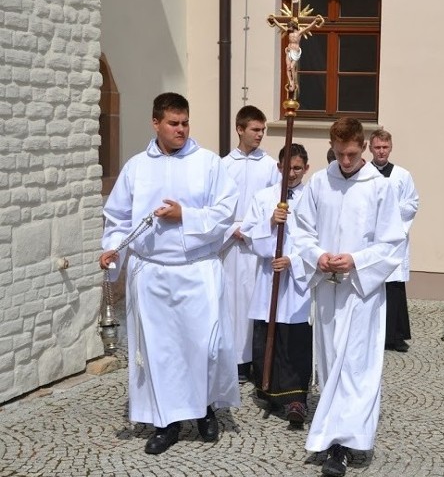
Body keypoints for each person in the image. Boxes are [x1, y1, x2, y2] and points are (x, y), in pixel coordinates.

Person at [99, 92, 240, 455]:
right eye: (173, 124)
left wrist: (186, 216)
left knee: (204, 347)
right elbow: (117, 219)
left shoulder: (208, 163)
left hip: (197, 270)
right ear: (156, 123)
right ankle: (167, 422)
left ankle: (206, 409)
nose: (181, 130)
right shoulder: (136, 168)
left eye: (185, 123)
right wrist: (113, 250)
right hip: (153, 274)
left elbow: (226, 212)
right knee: (161, 352)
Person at [291, 117, 406, 477]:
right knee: (329, 363)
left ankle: (341, 444)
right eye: (339, 153)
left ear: (364, 147)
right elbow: (301, 232)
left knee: (355, 367)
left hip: (361, 292)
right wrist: (318, 256)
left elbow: (392, 243)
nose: (345, 161)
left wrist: (355, 260)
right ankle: (336, 436)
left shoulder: (379, 187)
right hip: (327, 287)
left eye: (352, 154)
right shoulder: (318, 184)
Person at [241, 143, 312, 428]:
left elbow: (317, 237)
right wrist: (270, 222)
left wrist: (293, 259)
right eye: (287, 168)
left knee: (294, 337)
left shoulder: (312, 198)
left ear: (306, 168)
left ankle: (297, 398)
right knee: (268, 334)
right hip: (269, 277)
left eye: (298, 168)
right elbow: (248, 234)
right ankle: (269, 390)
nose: (292, 173)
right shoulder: (263, 197)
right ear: (278, 167)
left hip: (297, 281)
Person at [221, 105, 280, 383]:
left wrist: (254, 230)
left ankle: (256, 360)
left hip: (258, 245)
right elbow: (215, 205)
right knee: (231, 302)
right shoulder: (223, 165)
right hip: (230, 246)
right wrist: (233, 229)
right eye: (255, 129)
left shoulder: (269, 166)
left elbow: (275, 203)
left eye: (263, 130)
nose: (260, 135)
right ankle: (233, 362)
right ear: (240, 129)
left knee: (256, 301)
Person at [369, 129, 420, 352]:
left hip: (395, 239)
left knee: (394, 287)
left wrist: (389, 215)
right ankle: (372, 334)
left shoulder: (402, 175)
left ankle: (396, 336)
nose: (381, 151)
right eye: (377, 147)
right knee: (371, 284)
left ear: (391, 148)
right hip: (370, 239)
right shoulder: (364, 174)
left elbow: (412, 204)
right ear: (370, 148)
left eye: (385, 147)